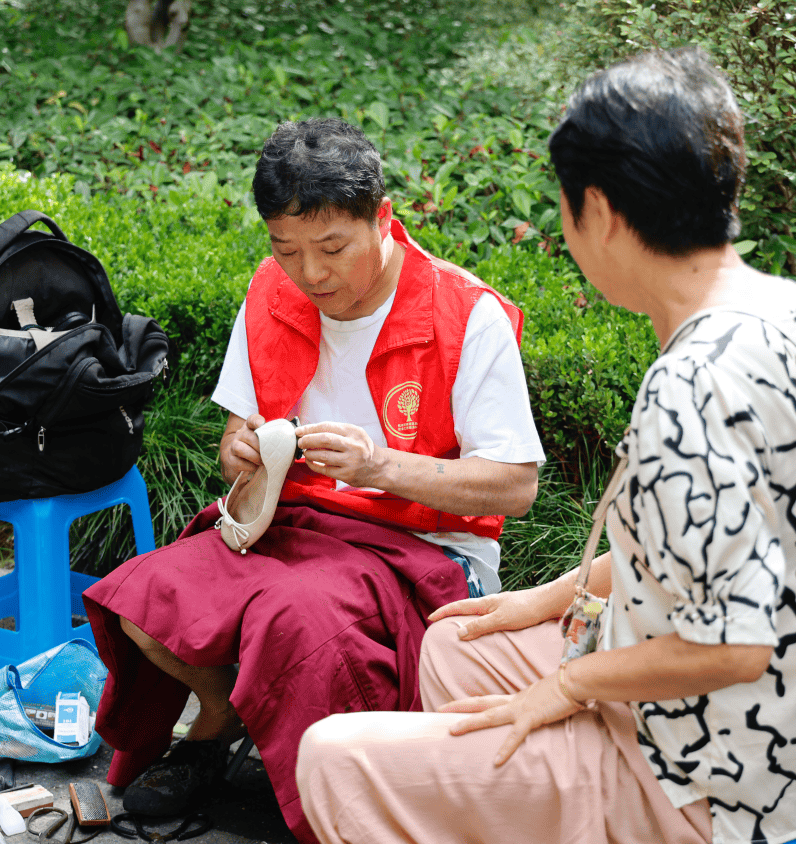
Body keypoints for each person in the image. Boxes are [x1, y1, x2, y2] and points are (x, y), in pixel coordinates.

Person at [295, 46, 796, 844]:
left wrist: (567, 686)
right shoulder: (789, 312)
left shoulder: (692, 385)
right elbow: (708, 550)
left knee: (335, 757)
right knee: (459, 641)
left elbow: (733, 643)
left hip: (710, 777)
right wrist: (542, 600)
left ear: (600, 214)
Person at [82, 117, 545, 844]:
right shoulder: (272, 291)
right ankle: (220, 715)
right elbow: (237, 430)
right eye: (286, 249)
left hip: (419, 549)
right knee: (142, 595)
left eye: (332, 248)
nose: (310, 274)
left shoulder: (464, 313)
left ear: (382, 221)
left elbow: (514, 487)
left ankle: (332, 796)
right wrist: (238, 451)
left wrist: (378, 467)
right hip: (290, 526)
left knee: (293, 618)